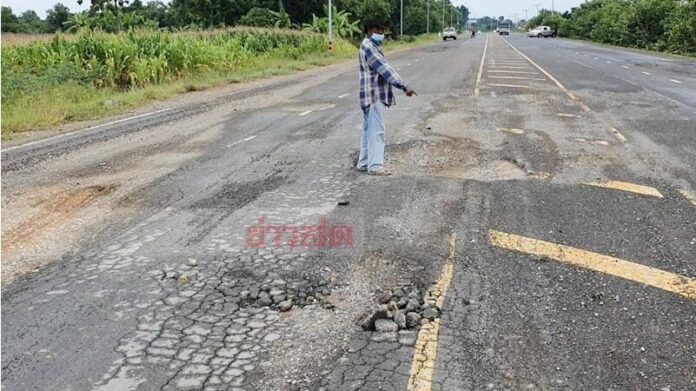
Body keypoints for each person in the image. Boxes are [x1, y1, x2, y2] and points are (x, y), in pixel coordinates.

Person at [357, 18, 417, 176]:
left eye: (383, 30)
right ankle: (375, 166)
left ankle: (363, 163)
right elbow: (385, 69)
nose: (382, 33)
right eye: (379, 30)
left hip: (369, 95)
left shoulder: (369, 45)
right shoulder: (370, 47)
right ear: (370, 30)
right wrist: (404, 86)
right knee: (377, 131)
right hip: (373, 95)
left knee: (368, 130)